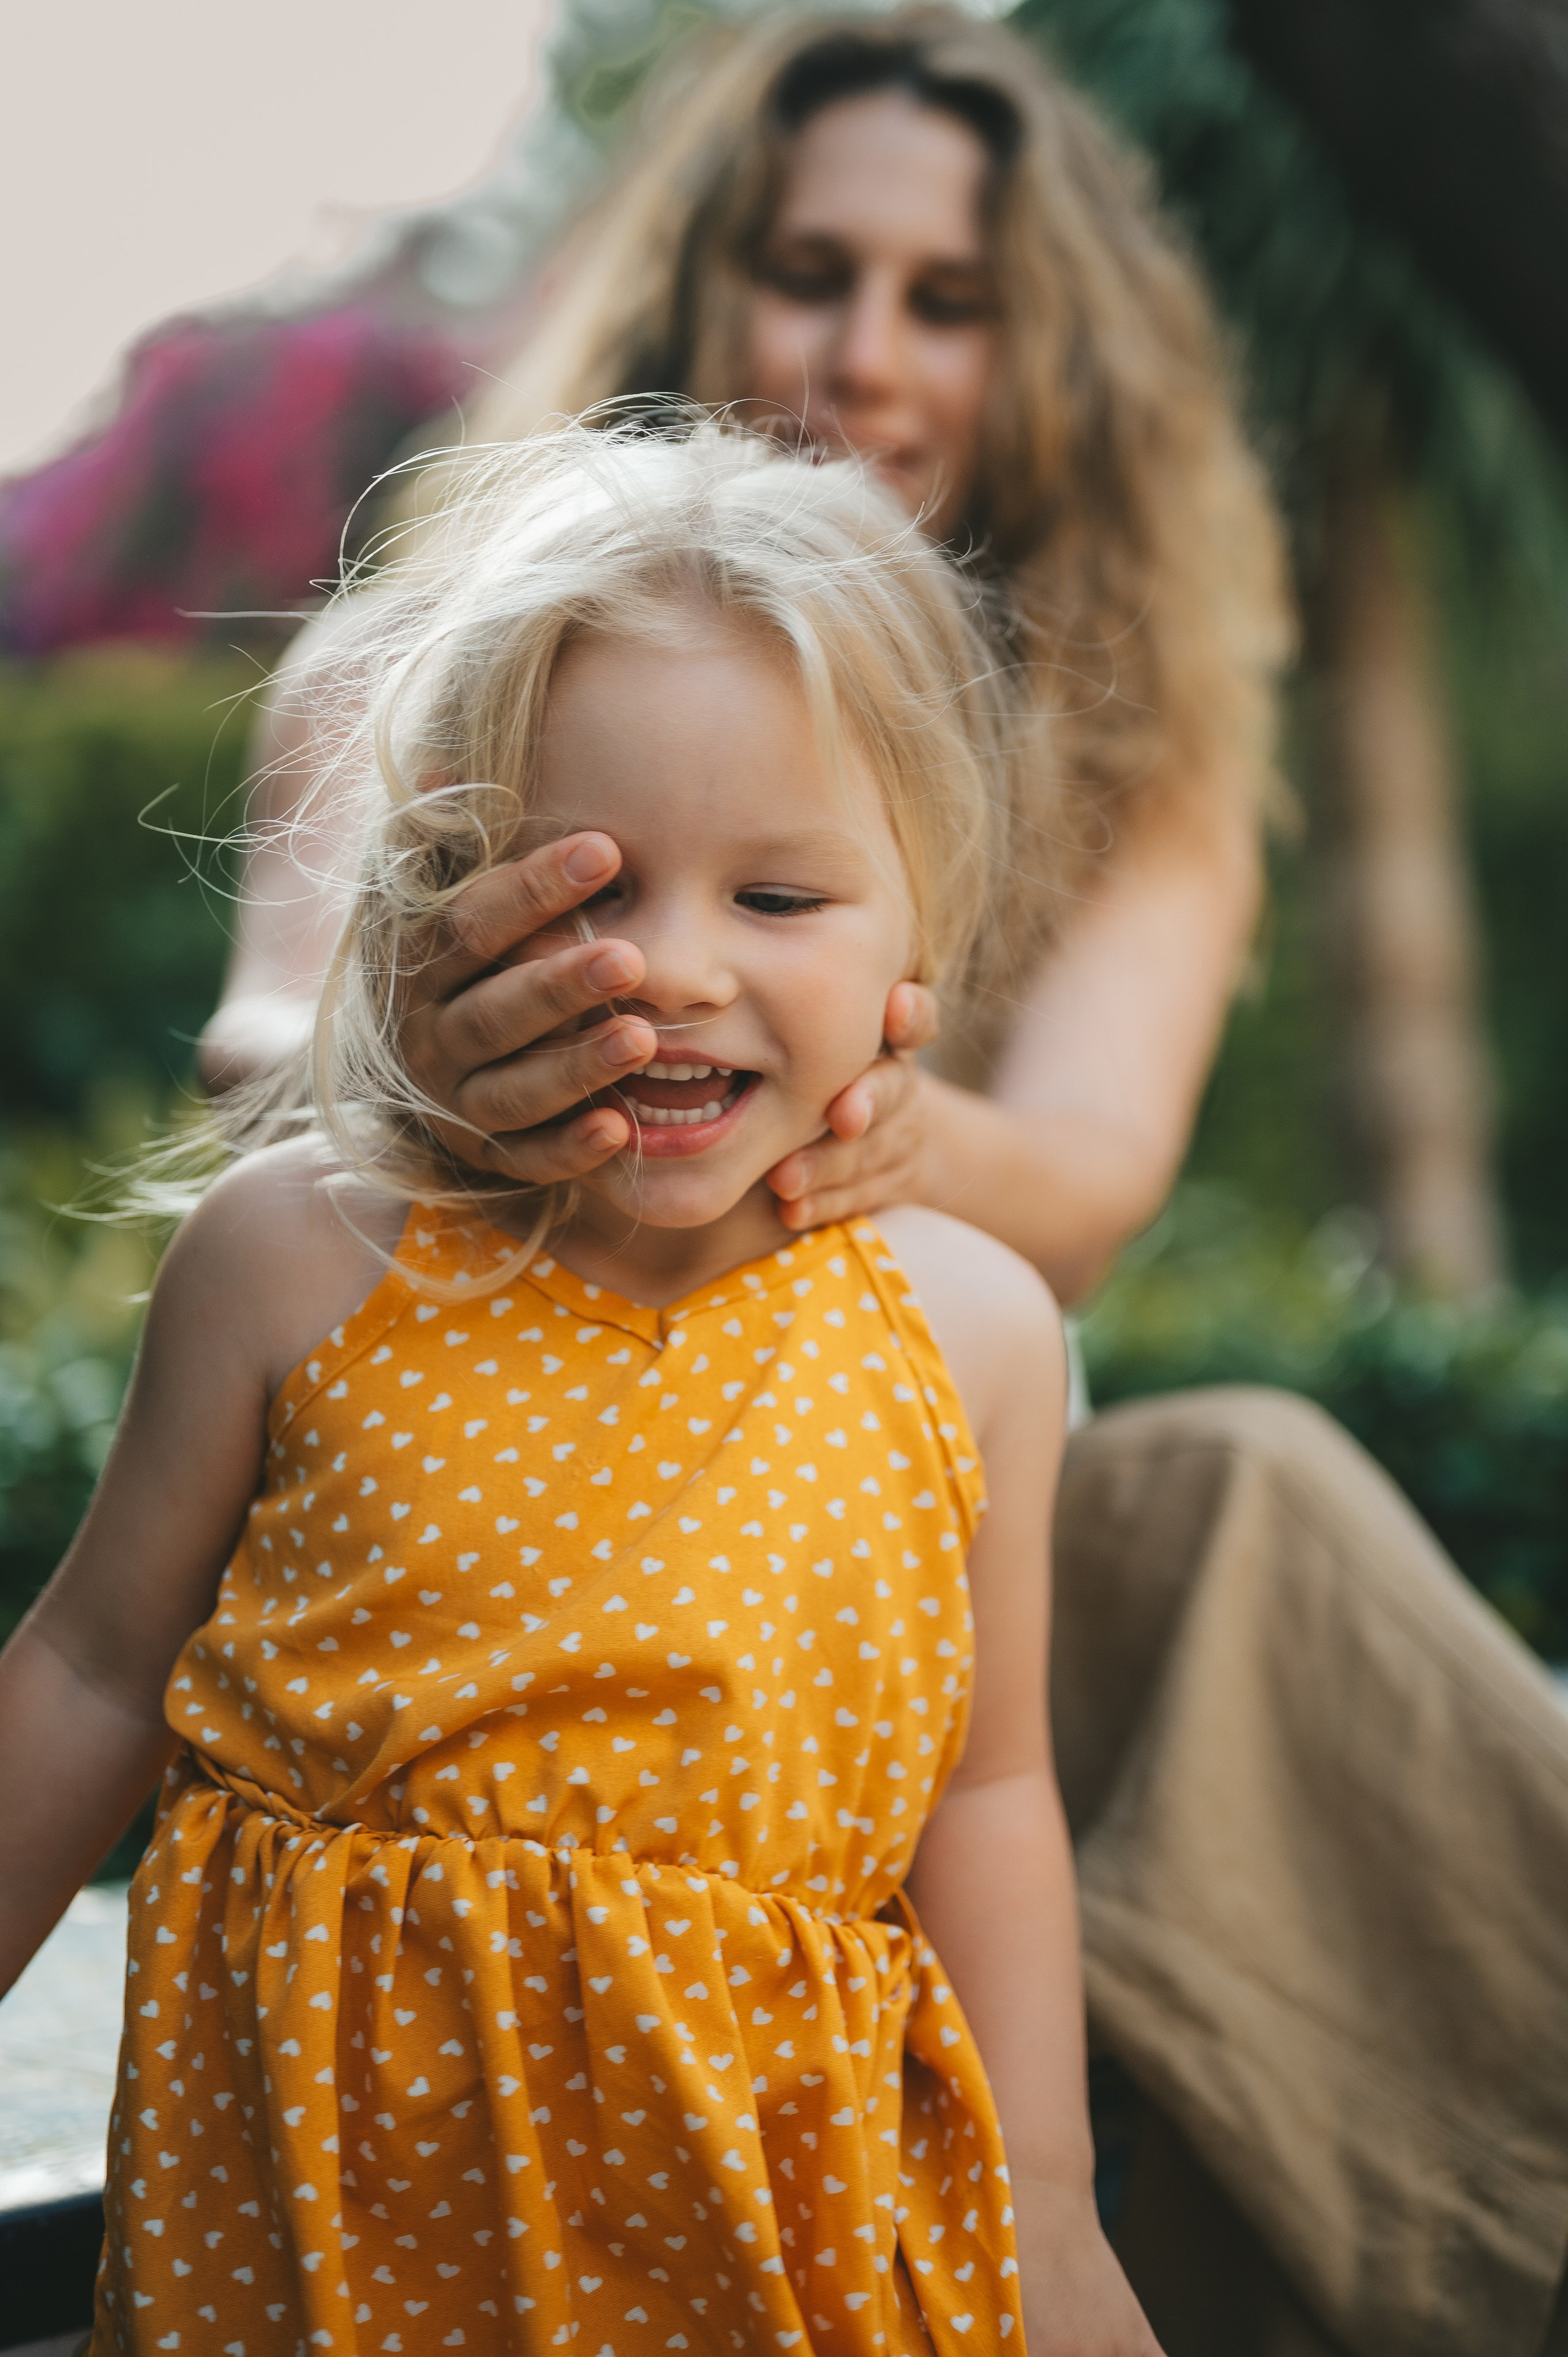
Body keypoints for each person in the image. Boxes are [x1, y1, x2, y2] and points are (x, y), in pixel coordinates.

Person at [197, 12, 1568, 2351]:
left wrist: (851, 1108)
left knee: (1238, 1493)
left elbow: (1099, 1178)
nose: (863, 355)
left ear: (1054, 362)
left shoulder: (1141, 743)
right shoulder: (450, 655)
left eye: (948, 301)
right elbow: (258, 1071)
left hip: (887, 1564)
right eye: (809, 271)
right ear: (694, 288)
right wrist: (418, 1055)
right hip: (509, 1554)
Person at [0, 422, 1166, 2356]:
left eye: (779, 903)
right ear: (450, 899)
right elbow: (90, 1672)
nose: (672, 970)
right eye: (586, 889)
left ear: (920, 937)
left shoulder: (971, 1332)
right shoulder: (304, 1259)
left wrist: (1044, 2207)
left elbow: (989, 1784)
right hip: (313, 2250)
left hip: (761, 2242)